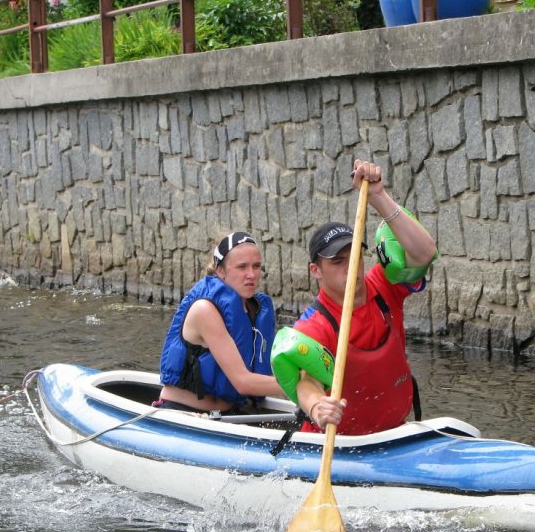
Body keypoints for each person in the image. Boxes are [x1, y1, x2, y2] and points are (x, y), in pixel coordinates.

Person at [285, 159, 437, 435]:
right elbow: (306, 382)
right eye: (338, 261)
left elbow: (424, 254)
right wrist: (318, 406)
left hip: (393, 434)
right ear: (315, 270)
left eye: (355, 255)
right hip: (338, 445)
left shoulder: (384, 286)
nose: (351, 265)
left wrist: (378, 195)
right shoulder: (315, 326)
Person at [158, 231, 284, 413]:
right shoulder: (205, 310)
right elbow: (242, 382)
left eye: (256, 266)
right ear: (221, 271)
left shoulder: (254, 309)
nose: (251, 274)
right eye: (242, 267)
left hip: (230, 414)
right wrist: (300, 386)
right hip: (184, 412)